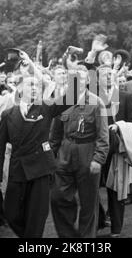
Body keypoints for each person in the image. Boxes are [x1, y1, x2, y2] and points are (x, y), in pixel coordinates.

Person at [0, 52, 73, 238]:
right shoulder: (8, 114)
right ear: (20, 89)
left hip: (41, 169)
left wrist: (73, 67)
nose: (35, 88)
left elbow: (72, 96)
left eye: (38, 85)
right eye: (30, 85)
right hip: (17, 168)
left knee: (36, 216)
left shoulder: (46, 107)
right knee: (11, 213)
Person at [50, 64, 109, 238]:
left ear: (88, 80)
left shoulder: (96, 103)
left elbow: (103, 135)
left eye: (81, 78)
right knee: (58, 198)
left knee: (88, 202)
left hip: (88, 154)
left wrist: (98, 159)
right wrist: (51, 158)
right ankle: (68, 237)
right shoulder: (62, 101)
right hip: (65, 154)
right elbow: (54, 134)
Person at [95, 65, 132, 237]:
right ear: (97, 79)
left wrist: (120, 126)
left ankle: (116, 227)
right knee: (91, 189)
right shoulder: (92, 98)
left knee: (116, 188)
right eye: (104, 74)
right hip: (96, 150)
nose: (107, 77)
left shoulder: (126, 97)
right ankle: (99, 219)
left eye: (110, 74)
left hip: (117, 150)